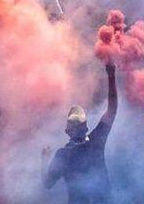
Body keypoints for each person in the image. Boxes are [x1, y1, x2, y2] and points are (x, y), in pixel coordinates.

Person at [43, 63, 118, 204]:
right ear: (86, 128)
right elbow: (112, 109)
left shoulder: (63, 154)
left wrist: (44, 160)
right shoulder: (96, 141)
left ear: (67, 132)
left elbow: (47, 184)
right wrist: (111, 75)